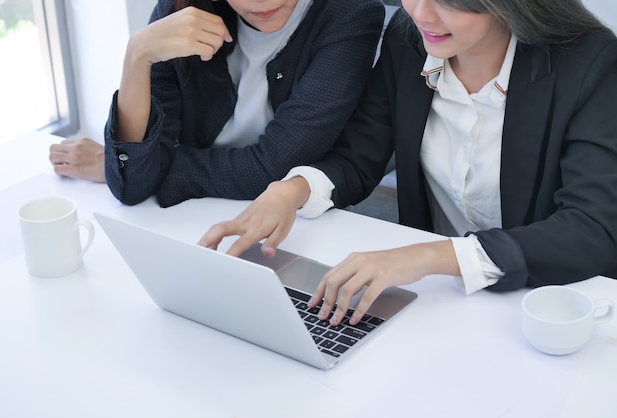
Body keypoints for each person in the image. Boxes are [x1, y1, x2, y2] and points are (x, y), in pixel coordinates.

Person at [200, 0, 617, 326]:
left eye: (449, 2)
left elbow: (592, 230)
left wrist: (426, 256)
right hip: (444, 304)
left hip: (553, 309)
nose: (420, 13)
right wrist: (292, 190)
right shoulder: (409, 40)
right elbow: (358, 156)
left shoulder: (592, 64)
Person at [49, 0, 385, 207]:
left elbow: (271, 169)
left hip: (296, 226)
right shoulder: (183, 8)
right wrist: (137, 53)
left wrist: (128, 165)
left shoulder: (349, 13)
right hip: (193, 218)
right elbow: (132, 186)